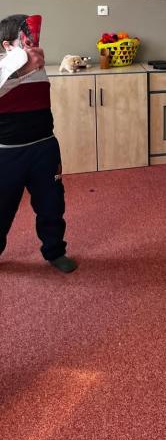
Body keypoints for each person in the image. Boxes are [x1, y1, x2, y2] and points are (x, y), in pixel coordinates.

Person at [0, 14, 77, 273]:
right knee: (2, 207)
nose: (33, 48)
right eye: (25, 42)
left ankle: (55, 251)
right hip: (6, 154)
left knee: (52, 205)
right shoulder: (5, 67)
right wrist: (22, 69)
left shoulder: (38, 65)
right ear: (7, 46)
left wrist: (31, 65)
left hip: (44, 148)